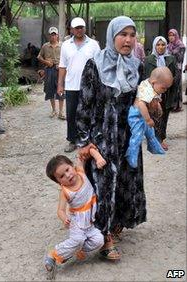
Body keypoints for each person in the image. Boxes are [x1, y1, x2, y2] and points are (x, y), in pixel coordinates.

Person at [76, 16, 146, 260]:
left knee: (126, 180)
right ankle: (104, 238)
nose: (127, 40)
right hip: (102, 136)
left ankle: (117, 222)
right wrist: (85, 142)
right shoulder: (94, 64)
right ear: (112, 36)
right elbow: (84, 105)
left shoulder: (137, 66)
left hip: (128, 136)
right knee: (104, 184)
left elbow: (141, 100)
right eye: (122, 34)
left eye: (131, 35)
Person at [44, 150, 106, 277]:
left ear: (71, 165)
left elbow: (83, 154)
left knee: (99, 241)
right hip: (77, 221)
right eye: (61, 176)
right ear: (59, 182)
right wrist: (64, 218)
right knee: (77, 239)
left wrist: (95, 155)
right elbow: (60, 210)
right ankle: (53, 254)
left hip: (89, 221)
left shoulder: (80, 172)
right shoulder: (65, 192)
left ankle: (74, 251)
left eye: (67, 170)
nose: (67, 175)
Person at [58, 17, 100, 153]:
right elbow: (62, 66)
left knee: (90, 113)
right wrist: (60, 84)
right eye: (76, 27)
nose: (79, 30)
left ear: (85, 28)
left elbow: (99, 66)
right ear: (71, 29)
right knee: (71, 115)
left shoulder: (93, 44)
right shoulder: (66, 45)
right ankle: (72, 140)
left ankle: (89, 139)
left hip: (90, 87)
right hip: (71, 86)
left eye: (81, 27)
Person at [126, 66, 173, 168]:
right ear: (153, 82)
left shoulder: (152, 85)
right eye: (163, 88)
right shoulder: (146, 89)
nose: (164, 90)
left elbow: (155, 98)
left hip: (143, 114)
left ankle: (154, 147)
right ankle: (131, 155)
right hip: (136, 115)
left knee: (150, 132)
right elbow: (141, 104)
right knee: (137, 136)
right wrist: (148, 119)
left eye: (166, 88)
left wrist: (158, 106)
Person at [144, 36, 176, 151]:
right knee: (154, 116)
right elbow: (146, 77)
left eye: (163, 45)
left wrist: (172, 92)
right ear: (154, 46)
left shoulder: (171, 59)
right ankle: (154, 138)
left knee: (164, 116)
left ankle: (161, 138)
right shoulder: (148, 60)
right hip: (153, 94)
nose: (161, 47)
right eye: (158, 45)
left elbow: (175, 76)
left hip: (166, 94)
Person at [37, 27, 65, 120]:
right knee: (50, 90)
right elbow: (39, 57)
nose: (53, 36)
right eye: (51, 35)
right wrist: (46, 62)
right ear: (49, 36)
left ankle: (61, 112)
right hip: (49, 70)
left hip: (59, 70)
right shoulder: (45, 46)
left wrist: (61, 65)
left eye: (55, 34)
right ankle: (54, 110)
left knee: (61, 89)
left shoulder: (63, 46)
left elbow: (67, 58)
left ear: (57, 35)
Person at [167, 29, 186, 112]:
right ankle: (171, 104)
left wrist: (172, 53)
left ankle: (177, 106)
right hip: (169, 68)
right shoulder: (168, 46)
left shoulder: (181, 46)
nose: (171, 37)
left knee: (176, 87)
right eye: (169, 35)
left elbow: (180, 59)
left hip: (177, 69)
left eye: (173, 35)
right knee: (170, 86)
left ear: (176, 36)